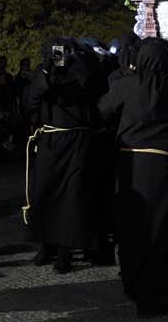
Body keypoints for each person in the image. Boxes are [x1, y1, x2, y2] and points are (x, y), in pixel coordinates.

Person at [97, 37, 168, 317]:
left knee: (132, 227)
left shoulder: (126, 85)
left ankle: (133, 282)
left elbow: (102, 110)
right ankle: (154, 291)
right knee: (162, 228)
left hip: (131, 164)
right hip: (164, 166)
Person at [20, 37, 107, 273]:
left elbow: (90, 89)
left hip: (77, 141)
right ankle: (46, 244)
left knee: (72, 198)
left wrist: (76, 62)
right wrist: (48, 71)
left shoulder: (83, 69)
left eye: (63, 51)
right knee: (45, 193)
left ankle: (65, 251)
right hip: (51, 140)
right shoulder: (44, 71)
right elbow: (32, 101)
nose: (60, 55)